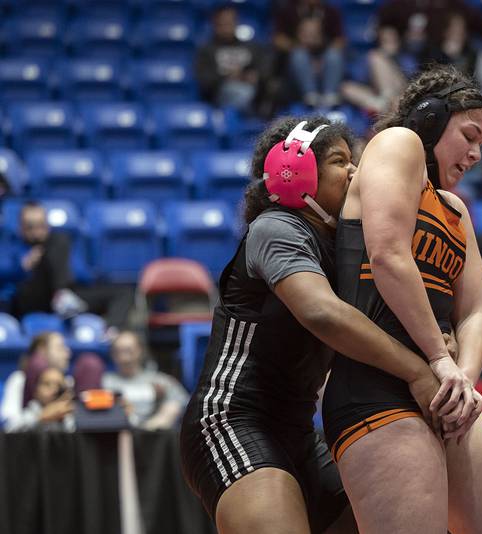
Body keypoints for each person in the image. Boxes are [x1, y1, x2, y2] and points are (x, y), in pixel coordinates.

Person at [179, 116, 458, 534]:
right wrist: (419, 368)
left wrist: (435, 340)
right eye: (339, 161)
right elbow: (322, 314)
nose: (354, 172)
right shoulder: (276, 228)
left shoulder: (343, 250)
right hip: (231, 419)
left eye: (355, 160)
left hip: (300, 430)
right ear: (295, 173)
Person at [322, 66, 482, 533]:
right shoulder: (398, 143)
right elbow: (387, 255)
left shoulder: (456, 210)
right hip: (375, 387)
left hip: (444, 390)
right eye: (469, 135)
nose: (477, 154)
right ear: (429, 117)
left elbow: (477, 310)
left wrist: (464, 379)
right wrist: (441, 359)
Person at [7, 201, 133, 327]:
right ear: (20, 228)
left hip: (69, 296)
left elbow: (85, 276)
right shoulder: (11, 246)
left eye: (41, 225)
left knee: (124, 292)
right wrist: (22, 268)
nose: (36, 232)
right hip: (32, 298)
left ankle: (110, 332)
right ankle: (61, 296)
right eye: (30, 227)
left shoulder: (60, 244)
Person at [194, 5, 275, 116]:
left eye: (230, 23)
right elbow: (204, 81)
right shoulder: (207, 50)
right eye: (223, 24)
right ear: (215, 26)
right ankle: (255, 118)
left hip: (253, 88)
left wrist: (255, 76)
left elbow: (264, 70)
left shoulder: (251, 47)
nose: (227, 27)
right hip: (223, 92)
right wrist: (228, 76)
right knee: (243, 92)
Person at [102, 330, 188, 430]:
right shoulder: (104, 382)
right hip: (115, 433)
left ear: (140, 350)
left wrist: (156, 422)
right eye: (118, 351)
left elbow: (180, 402)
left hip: (153, 434)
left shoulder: (158, 380)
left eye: (128, 350)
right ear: (112, 354)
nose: (124, 357)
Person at [273, 0, 346, 108]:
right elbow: (278, 39)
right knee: (299, 55)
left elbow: (340, 40)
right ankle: (310, 96)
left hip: (323, 59)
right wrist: (299, 46)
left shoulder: (330, 12)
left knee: (334, 55)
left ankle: (330, 95)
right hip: (295, 68)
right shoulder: (288, 11)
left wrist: (321, 59)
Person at [1, 331, 72, 430]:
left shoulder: (68, 381)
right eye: (60, 347)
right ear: (41, 350)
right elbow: (8, 425)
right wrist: (40, 417)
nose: (67, 352)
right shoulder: (19, 379)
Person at [5, 364, 74, 432]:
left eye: (59, 385)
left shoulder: (68, 416)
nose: (54, 389)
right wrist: (40, 417)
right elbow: (9, 429)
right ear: (36, 390)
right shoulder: (28, 414)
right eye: (47, 384)